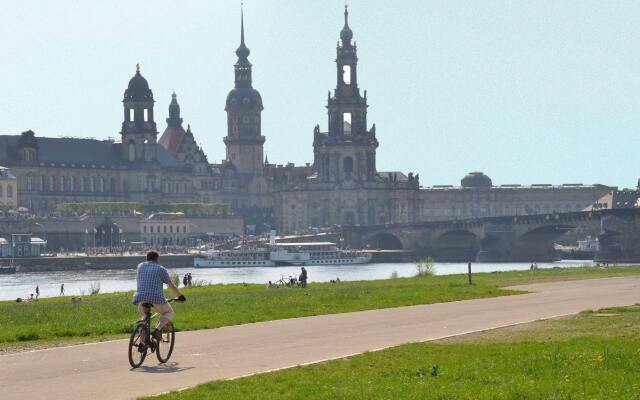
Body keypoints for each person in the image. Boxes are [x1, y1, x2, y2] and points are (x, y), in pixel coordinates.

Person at [132, 251, 186, 341]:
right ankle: (158, 329)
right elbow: (170, 285)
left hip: (140, 297)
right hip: (156, 298)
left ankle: (142, 344)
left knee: (144, 318)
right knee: (169, 312)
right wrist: (180, 295)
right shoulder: (161, 269)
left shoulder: (140, 266)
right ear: (157, 259)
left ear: (147, 258)